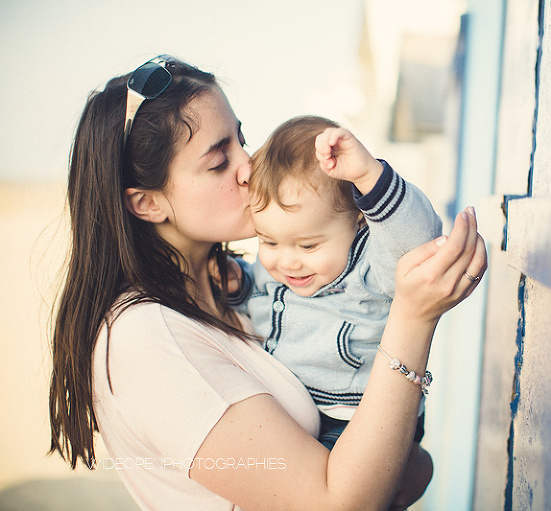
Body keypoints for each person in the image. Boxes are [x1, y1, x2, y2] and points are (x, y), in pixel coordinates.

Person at [48, 54, 486, 510]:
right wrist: (413, 319)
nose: (249, 166)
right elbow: (338, 504)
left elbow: (411, 471)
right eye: (219, 161)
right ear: (147, 204)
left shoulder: (241, 293)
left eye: (242, 141)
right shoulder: (145, 339)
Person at [228, 115, 442, 455]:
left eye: (308, 246)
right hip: (299, 414)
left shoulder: (372, 265)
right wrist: (237, 285)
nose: (286, 262)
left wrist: (369, 176)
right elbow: (257, 301)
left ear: (357, 221)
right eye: (268, 242)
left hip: (357, 418)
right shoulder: (274, 270)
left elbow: (419, 241)